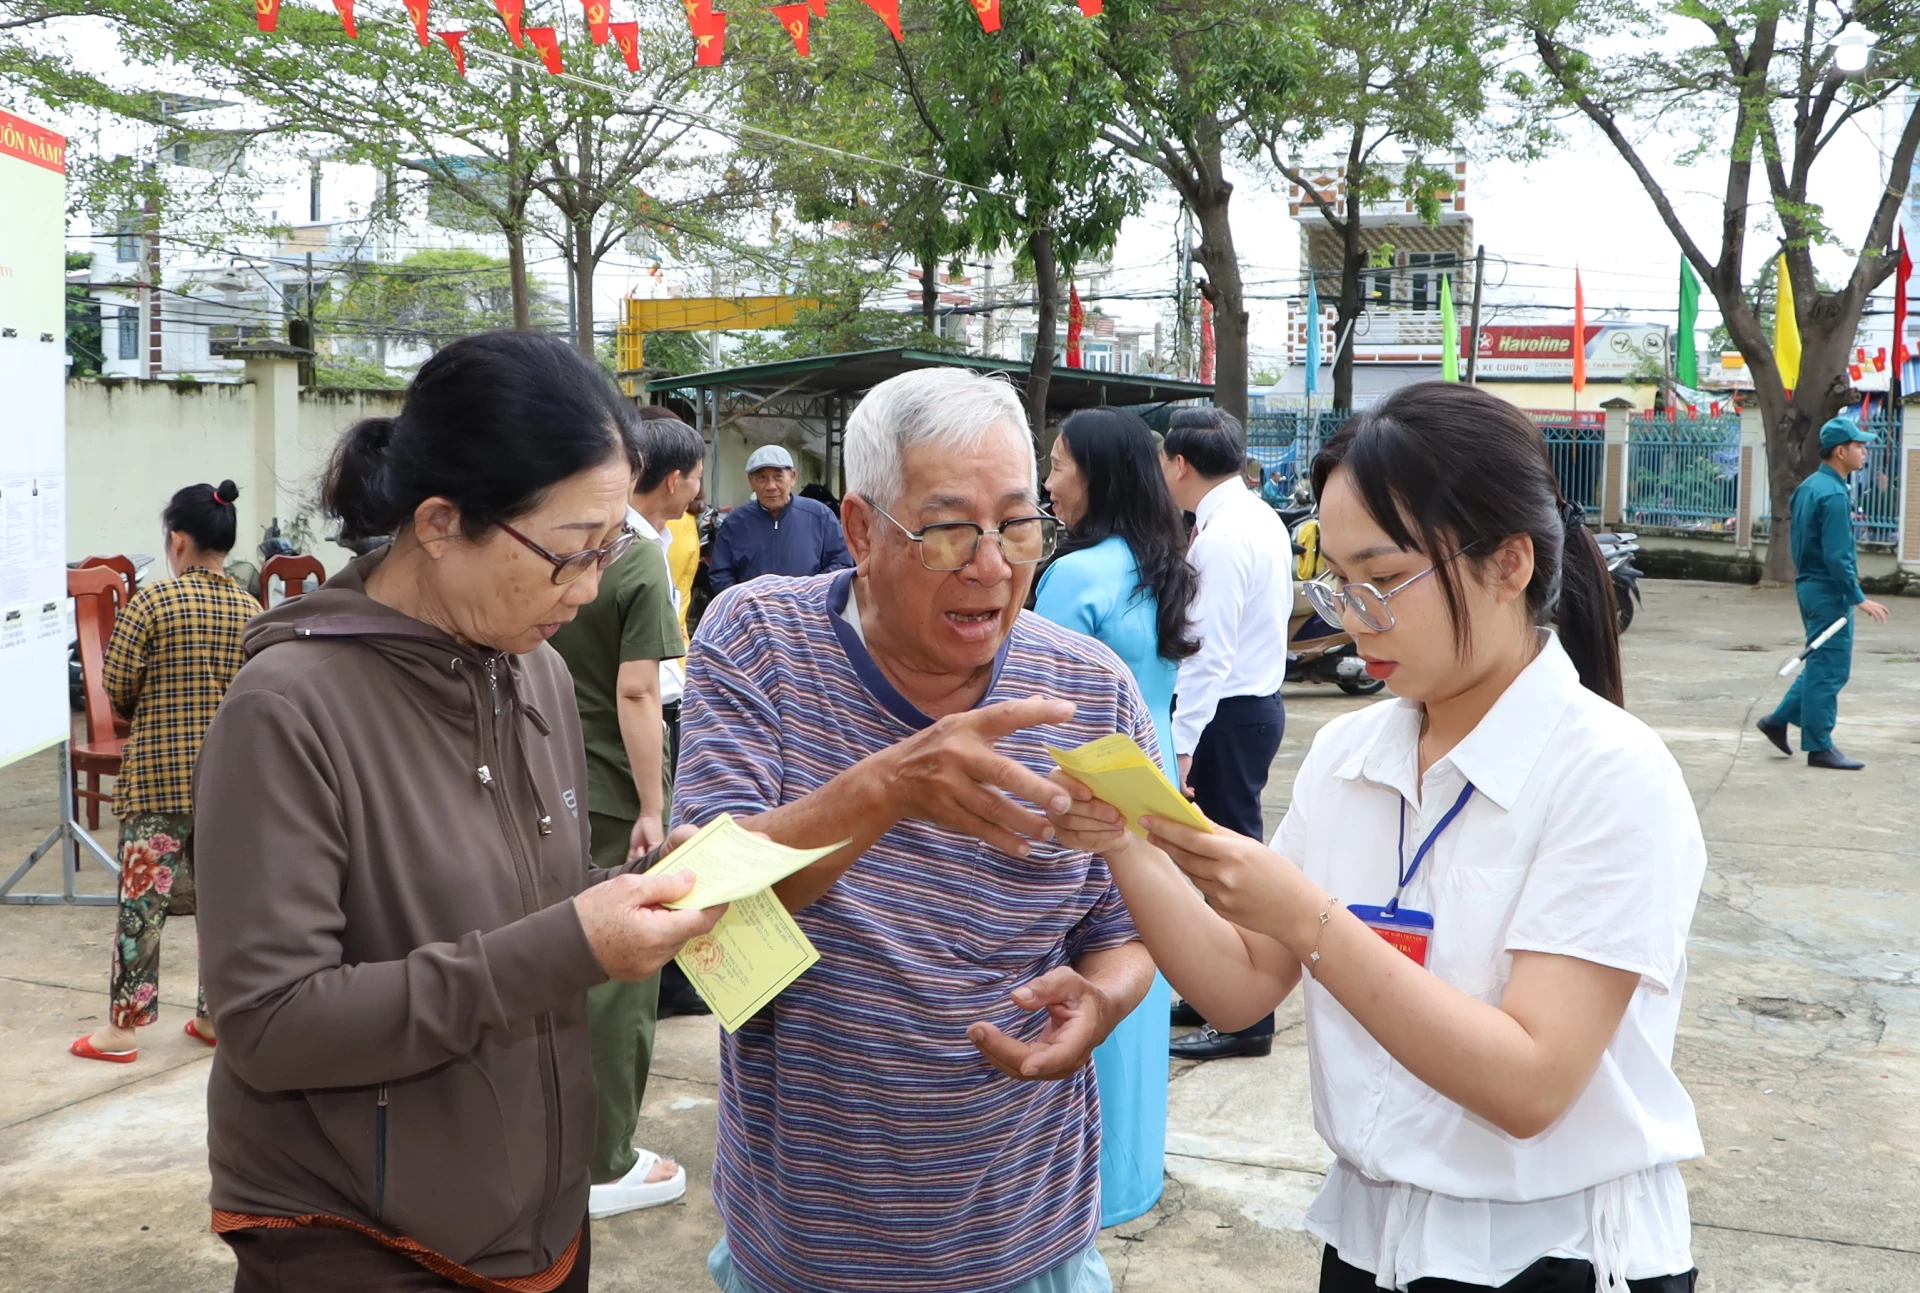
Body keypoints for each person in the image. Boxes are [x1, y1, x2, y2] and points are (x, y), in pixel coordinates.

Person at [1049, 382, 1706, 1293]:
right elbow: (1240, 986)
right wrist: (1125, 843)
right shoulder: (1351, 753)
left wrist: (1313, 920)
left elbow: (1531, 1083)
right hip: (1369, 1242)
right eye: (1338, 581)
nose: (1353, 617)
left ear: (1509, 563)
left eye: (1386, 578)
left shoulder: (1611, 775)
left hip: (1551, 1255)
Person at [191, 331, 725, 1293]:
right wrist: (574, 942)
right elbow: (269, 1023)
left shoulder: (540, 674)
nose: (590, 588)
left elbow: (522, 908)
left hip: (537, 1212)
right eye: (568, 555)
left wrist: (629, 896)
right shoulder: (288, 707)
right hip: (363, 1235)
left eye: (609, 552)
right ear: (439, 522)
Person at [675, 366, 1157, 1293]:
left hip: (1026, 1236)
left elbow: (1127, 926)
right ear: (860, 530)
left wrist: (1102, 1000)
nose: (992, 565)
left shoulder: (1091, 690)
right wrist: (888, 787)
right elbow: (700, 909)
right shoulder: (758, 642)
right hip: (806, 1242)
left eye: (1018, 524)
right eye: (946, 531)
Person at [1036, 406, 1199, 1227]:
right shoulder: (1159, 563)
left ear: (1096, 474)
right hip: (1156, 788)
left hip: (1089, 801)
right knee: (1143, 963)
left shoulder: (1074, 575)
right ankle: (1134, 1172)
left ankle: (1081, 1189)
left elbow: (1043, 711)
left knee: (1089, 972)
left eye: (1059, 463)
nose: (1049, 479)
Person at [546, 410, 698, 1220]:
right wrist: (653, 804)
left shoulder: (548, 545)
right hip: (609, 791)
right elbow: (639, 690)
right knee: (619, 980)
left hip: (534, 782)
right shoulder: (637, 561)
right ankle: (605, 1157)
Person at [68, 480, 259, 1065]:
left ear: (177, 540)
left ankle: (122, 1031)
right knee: (224, 906)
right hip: (229, 785)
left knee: (142, 907)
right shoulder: (251, 609)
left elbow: (116, 685)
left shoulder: (152, 602)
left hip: (158, 779)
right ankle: (214, 1016)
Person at [1158, 406, 1293, 1060]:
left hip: (1227, 715)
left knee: (1230, 866)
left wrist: (1182, 745)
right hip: (1252, 706)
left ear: (1179, 464)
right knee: (1227, 860)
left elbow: (1207, 654)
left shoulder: (1221, 538)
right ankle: (1224, 992)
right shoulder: (1257, 516)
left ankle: (1247, 1017)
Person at [1757, 416, 1892, 770]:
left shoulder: (1811, 485)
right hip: (1830, 592)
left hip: (1812, 586)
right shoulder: (1831, 494)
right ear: (1840, 451)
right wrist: (1858, 597)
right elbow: (1837, 555)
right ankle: (1819, 746)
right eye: (1859, 446)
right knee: (1830, 669)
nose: (1864, 451)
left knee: (1821, 662)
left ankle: (1778, 719)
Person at [707, 444, 852, 592]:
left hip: (808, 611)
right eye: (762, 478)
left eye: (778, 476)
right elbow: (721, 573)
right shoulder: (735, 522)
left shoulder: (820, 515)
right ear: (751, 481)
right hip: (752, 612)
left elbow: (841, 563)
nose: (771, 486)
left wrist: (812, 594)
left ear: (792, 477)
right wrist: (742, 604)